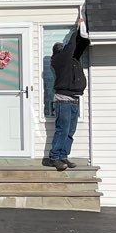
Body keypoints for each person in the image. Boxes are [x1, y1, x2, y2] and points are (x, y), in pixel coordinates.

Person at [46, 21, 89, 170]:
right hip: (63, 101)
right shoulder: (58, 60)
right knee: (62, 130)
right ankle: (54, 158)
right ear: (57, 51)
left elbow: (80, 46)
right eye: (60, 47)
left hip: (74, 100)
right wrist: (75, 30)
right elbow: (71, 47)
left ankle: (63, 156)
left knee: (70, 131)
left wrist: (82, 31)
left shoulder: (71, 60)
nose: (62, 48)